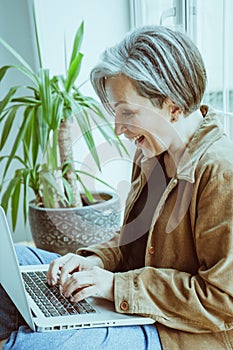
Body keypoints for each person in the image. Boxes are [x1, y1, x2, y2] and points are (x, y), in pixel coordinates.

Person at [1, 24, 233, 350]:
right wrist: (94, 262)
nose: (118, 128)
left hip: (181, 332)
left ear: (173, 106)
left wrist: (114, 287)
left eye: (127, 112)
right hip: (136, 304)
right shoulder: (152, 153)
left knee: (35, 344)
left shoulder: (221, 172)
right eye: (115, 112)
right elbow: (131, 242)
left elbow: (223, 300)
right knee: (18, 265)